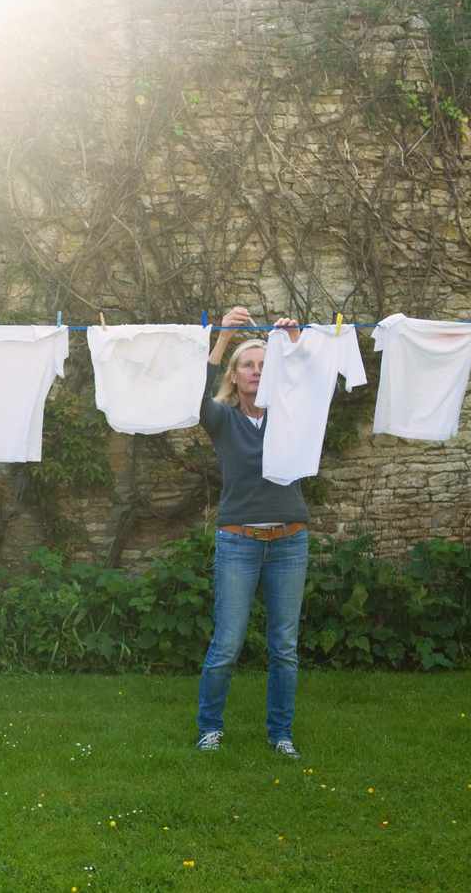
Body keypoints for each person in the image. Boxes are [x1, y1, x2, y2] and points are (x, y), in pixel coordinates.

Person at [194, 305, 306, 759]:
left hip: (290, 541)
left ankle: (281, 734)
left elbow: (315, 385)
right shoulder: (223, 421)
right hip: (239, 541)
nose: (256, 372)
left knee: (284, 646)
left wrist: (295, 343)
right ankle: (210, 728)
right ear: (235, 376)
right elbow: (192, 396)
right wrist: (222, 337)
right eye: (248, 365)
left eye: (264, 365)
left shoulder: (293, 413)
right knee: (227, 643)